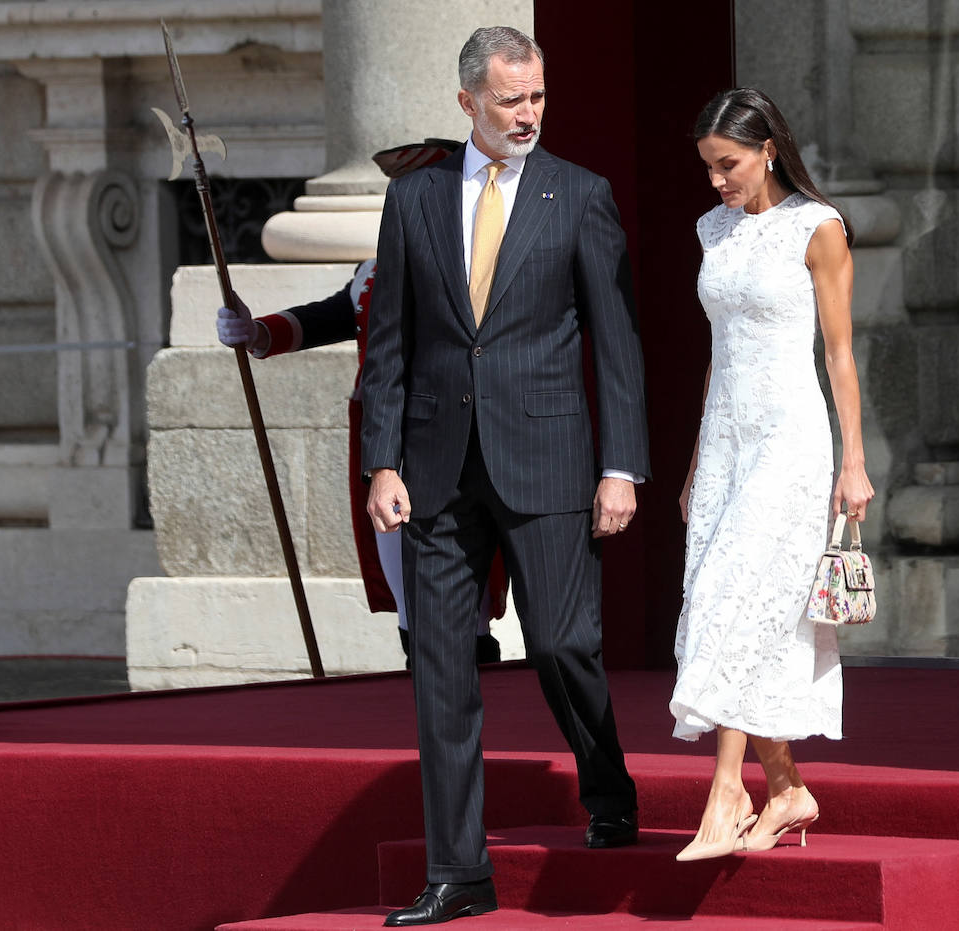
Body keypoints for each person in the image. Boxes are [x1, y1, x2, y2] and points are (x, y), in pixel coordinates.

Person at [361, 25, 649, 926]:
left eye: (537, 97)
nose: (527, 114)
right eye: (509, 100)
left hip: (552, 460)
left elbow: (620, 347)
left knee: (563, 644)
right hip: (437, 470)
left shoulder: (581, 195)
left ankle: (606, 789)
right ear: (467, 104)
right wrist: (381, 461)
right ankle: (458, 871)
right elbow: (391, 343)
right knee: (441, 668)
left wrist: (622, 467)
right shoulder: (413, 200)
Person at [671, 87, 874, 861]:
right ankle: (786, 787)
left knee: (734, 598)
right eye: (707, 168)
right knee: (742, 614)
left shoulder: (818, 229)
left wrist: (852, 460)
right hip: (726, 443)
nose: (717, 180)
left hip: (791, 442)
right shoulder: (712, 229)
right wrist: (697, 459)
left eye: (727, 164)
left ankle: (726, 793)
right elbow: (718, 355)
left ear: (767, 151)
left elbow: (840, 354)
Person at [216, 139, 506, 668]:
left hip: (455, 428)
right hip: (386, 436)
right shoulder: (372, 268)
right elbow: (328, 317)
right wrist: (255, 330)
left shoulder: (481, 258)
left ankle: (475, 663)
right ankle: (418, 662)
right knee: (398, 559)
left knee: (464, 562)